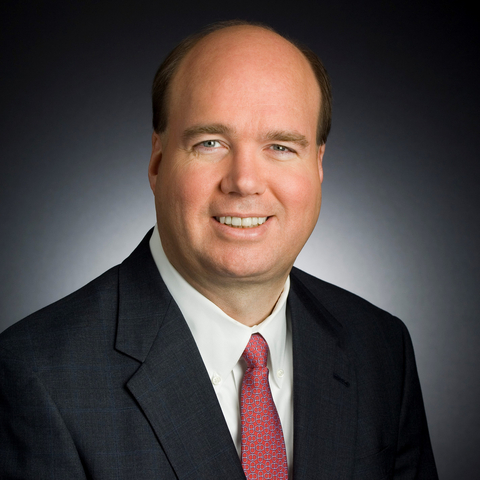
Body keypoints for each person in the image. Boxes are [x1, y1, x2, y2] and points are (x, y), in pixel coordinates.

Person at [0, 20, 438, 479]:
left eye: (281, 147)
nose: (244, 181)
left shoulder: (380, 348)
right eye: (210, 143)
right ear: (158, 162)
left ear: (318, 165)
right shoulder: (37, 377)